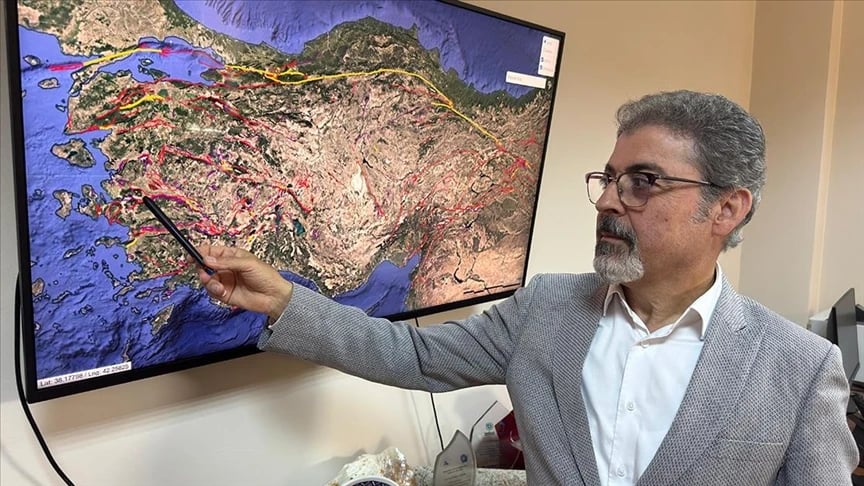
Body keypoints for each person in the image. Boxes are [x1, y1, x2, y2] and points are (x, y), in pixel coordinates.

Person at [193, 90, 857, 485]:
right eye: (609, 178)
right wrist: (284, 300)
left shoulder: (800, 369)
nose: (609, 201)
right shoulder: (546, 308)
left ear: (727, 209)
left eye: (644, 181)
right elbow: (412, 356)